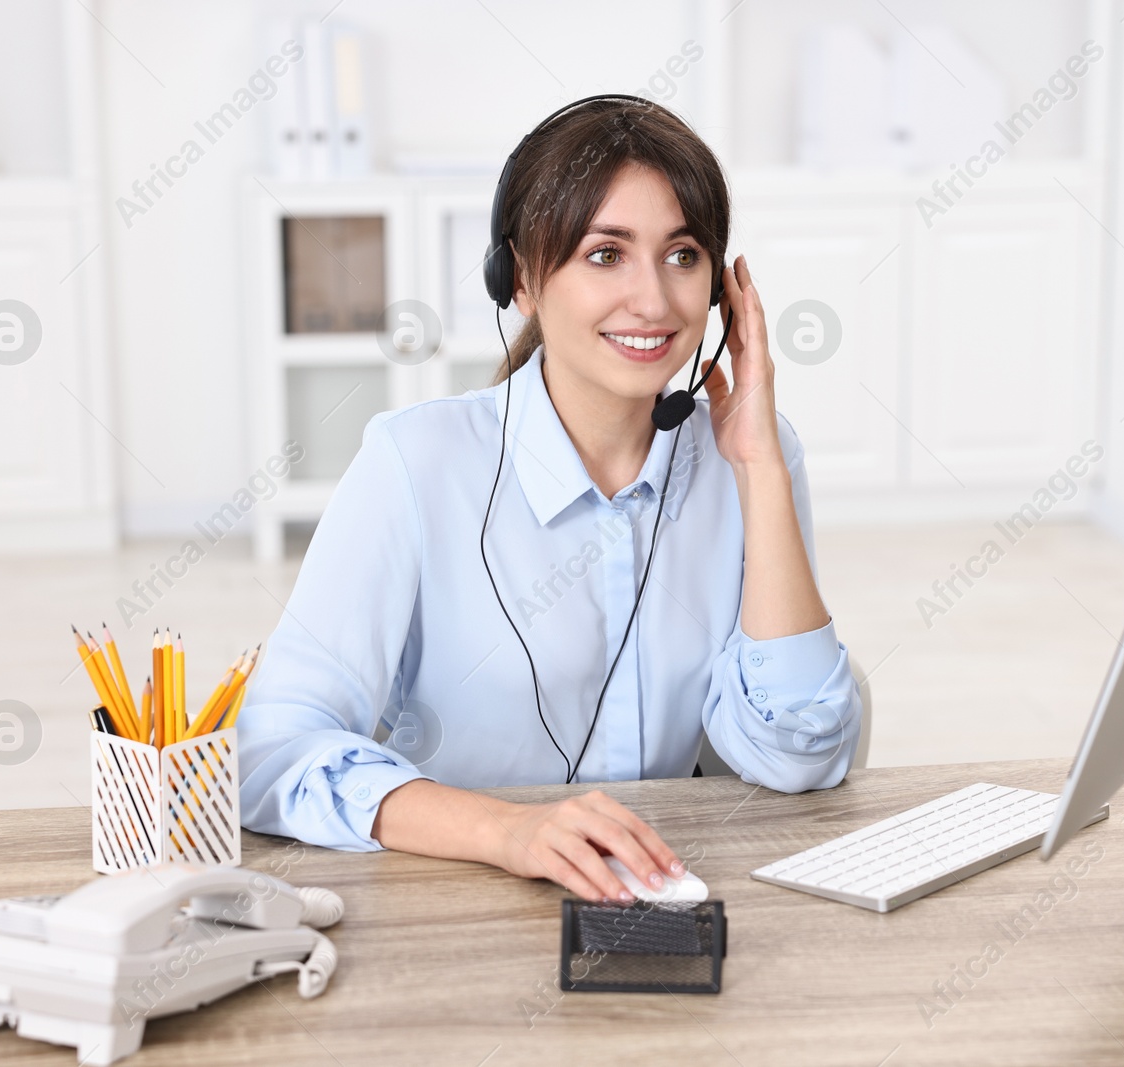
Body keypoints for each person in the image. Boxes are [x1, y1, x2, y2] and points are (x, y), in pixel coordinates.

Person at [237, 97, 861, 905]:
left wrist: (760, 469)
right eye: (606, 254)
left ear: (721, 293)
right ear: (522, 280)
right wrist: (507, 831)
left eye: (682, 255)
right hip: (460, 900)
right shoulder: (417, 464)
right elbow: (270, 746)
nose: (654, 300)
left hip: (663, 900)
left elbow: (800, 753)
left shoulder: (747, 458)